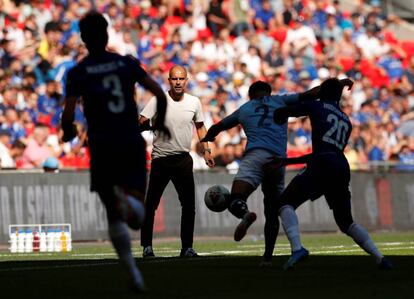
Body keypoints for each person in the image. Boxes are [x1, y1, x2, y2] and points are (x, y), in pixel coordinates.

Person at [61, 11, 169, 293]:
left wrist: (68, 131)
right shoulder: (125, 63)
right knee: (138, 216)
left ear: (83, 39)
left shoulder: (77, 72)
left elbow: (69, 112)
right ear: (107, 34)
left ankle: (134, 275)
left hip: (102, 143)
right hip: (130, 140)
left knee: (113, 215)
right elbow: (158, 93)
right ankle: (126, 202)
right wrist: (163, 125)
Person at [201, 80, 327, 266]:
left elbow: (217, 127)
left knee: (236, 199)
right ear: (268, 92)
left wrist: (208, 137)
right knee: (272, 211)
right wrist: (335, 86)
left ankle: (245, 215)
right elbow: (311, 93)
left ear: (251, 95)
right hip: (277, 161)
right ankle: (267, 257)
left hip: (256, 156)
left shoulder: (244, 109)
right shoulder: (280, 100)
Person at [272, 78, 392, 270]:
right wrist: (288, 162)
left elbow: (282, 112)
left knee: (285, 203)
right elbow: (328, 152)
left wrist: (285, 106)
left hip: (323, 164)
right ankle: (381, 258)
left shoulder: (316, 106)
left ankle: (297, 249)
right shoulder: (346, 120)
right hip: (341, 167)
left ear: (321, 91)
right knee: (346, 222)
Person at [139, 65, 215, 258]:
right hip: (161, 159)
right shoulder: (158, 100)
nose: (178, 82)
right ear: (169, 80)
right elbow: (140, 122)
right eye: (174, 79)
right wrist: (151, 124)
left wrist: (206, 150)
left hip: (183, 159)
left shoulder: (194, 102)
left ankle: (187, 247)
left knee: (189, 205)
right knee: (151, 205)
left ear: (186, 80)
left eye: (181, 79)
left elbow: (200, 127)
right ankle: (147, 246)